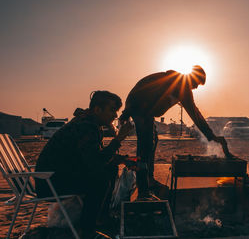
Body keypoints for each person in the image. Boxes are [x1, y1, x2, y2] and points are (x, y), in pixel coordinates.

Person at [120, 65, 232, 199]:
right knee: (145, 146)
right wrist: (211, 135)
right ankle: (143, 189)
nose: (196, 87)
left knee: (153, 140)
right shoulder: (180, 84)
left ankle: (149, 179)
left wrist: (210, 135)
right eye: (196, 83)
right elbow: (195, 114)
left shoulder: (178, 82)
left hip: (142, 108)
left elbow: (194, 113)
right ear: (192, 77)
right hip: (139, 107)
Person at [35, 91, 134, 238]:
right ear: (97, 109)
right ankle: (87, 231)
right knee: (99, 180)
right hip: (50, 183)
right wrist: (118, 139)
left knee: (110, 169)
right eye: (112, 110)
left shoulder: (90, 123)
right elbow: (95, 162)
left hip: (58, 176)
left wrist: (121, 159)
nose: (115, 115)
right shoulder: (85, 126)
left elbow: (93, 157)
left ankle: (100, 218)